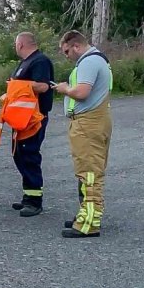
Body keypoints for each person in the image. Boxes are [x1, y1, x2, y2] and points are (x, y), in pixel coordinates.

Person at [51, 29, 113, 239]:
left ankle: (89, 223)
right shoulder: (97, 60)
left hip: (88, 123)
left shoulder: (88, 62)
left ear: (76, 46)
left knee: (89, 173)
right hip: (94, 121)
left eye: (67, 51)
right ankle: (85, 214)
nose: (66, 56)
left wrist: (65, 89)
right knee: (88, 171)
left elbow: (82, 92)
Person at [8, 32, 55, 217]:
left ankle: (35, 201)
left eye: (15, 44)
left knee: (29, 156)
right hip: (21, 118)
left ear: (20, 44)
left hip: (34, 119)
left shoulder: (40, 61)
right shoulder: (25, 62)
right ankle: (28, 196)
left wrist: (17, 87)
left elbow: (43, 86)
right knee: (19, 155)